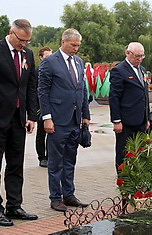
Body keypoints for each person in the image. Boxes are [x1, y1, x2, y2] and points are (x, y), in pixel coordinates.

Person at [0, 19, 38, 226]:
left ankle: (14, 206)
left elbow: (30, 86)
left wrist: (31, 116)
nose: (24, 44)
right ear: (11, 32)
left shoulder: (27, 55)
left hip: (18, 120)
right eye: (21, 40)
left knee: (15, 165)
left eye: (27, 41)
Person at [38, 28, 90, 212]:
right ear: (63, 42)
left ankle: (69, 195)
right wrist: (47, 118)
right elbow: (42, 91)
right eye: (73, 45)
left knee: (70, 159)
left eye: (78, 45)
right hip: (57, 121)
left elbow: (82, 90)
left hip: (75, 120)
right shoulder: (50, 62)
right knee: (56, 161)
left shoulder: (78, 62)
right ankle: (55, 197)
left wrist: (85, 116)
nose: (76, 48)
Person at [109, 42, 150, 171]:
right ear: (127, 53)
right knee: (123, 154)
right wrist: (116, 120)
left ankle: (139, 182)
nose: (139, 59)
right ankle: (124, 182)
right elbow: (114, 97)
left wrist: (147, 117)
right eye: (137, 56)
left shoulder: (142, 70)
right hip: (125, 121)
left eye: (142, 56)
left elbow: (145, 96)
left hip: (141, 121)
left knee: (141, 153)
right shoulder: (119, 70)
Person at [35, 47, 52, 167]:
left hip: (53, 106)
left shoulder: (54, 70)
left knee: (52, 133)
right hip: (39, 106)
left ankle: (51, 156)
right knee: (41, 132)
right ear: (41, 57)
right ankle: (42, 157)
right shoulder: (36, 72)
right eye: (46, 56)